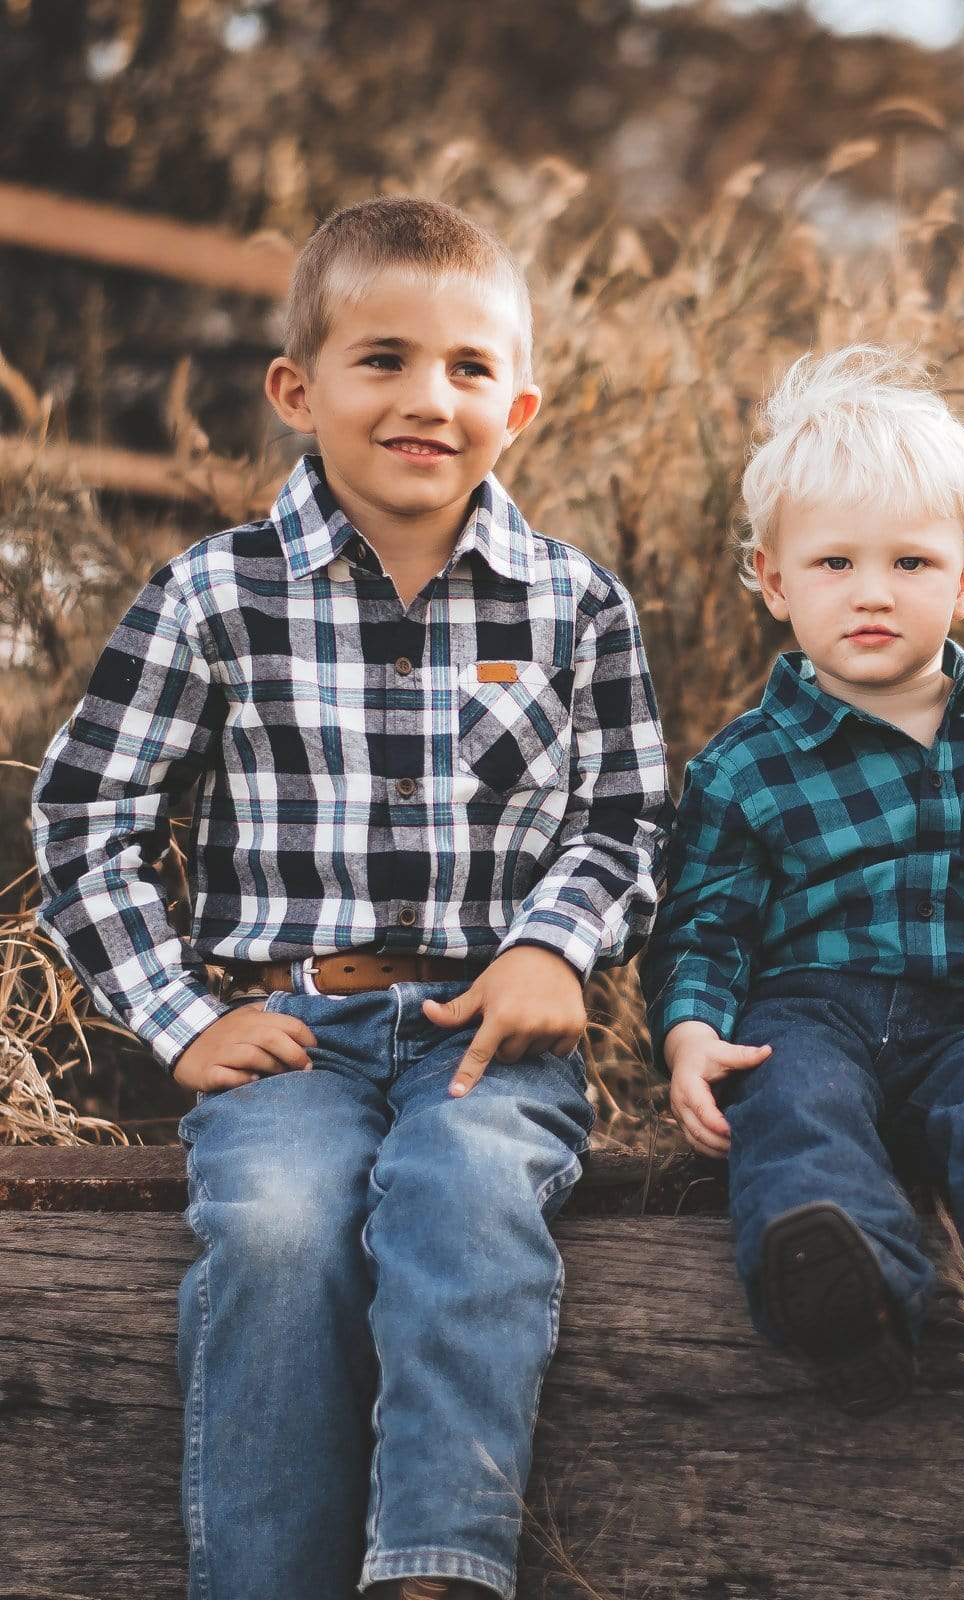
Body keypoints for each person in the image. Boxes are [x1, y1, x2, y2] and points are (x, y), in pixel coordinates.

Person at [32, 196, 670, 1600]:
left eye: (467, 370)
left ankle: (433, 1570)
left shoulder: (574, 608)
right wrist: (182, 1018)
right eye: (381, 359)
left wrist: (556, 950)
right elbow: (89, 818)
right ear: (296, 389)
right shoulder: (213, 598)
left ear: (523, 404)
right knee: (277, 1224)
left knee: (463, 1193)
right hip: (296, 1031)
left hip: (488, 1036)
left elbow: (625, 816)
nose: (425, 399)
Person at [643, 344, 964, 1416]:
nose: (873, 594)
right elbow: (703, 925)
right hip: (806, 1014)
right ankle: (842, 1286)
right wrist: (689, 1032)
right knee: (795, 1112)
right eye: (833, 566)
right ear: (773, 581)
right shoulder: (743, 765)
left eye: (910, 564)